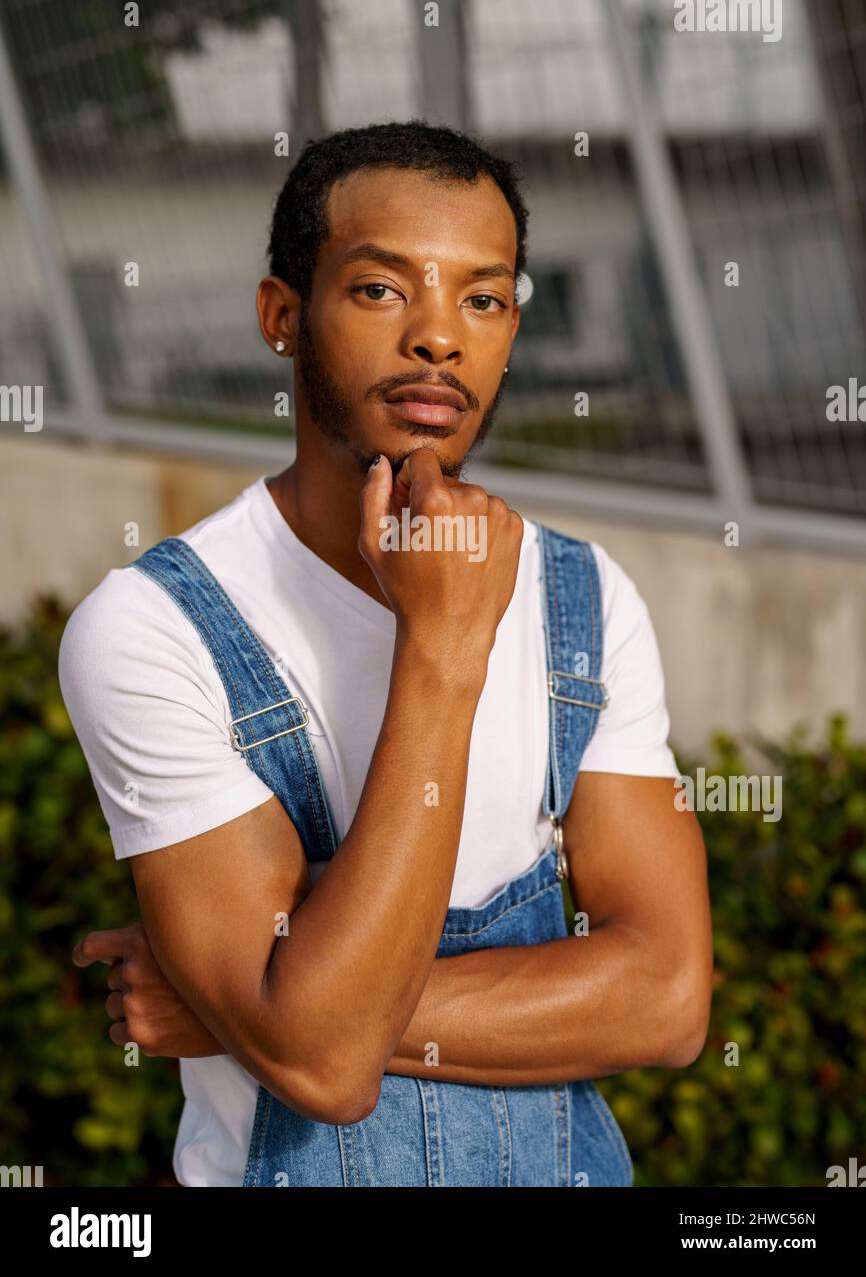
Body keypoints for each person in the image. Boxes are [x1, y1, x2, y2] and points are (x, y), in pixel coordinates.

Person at [60, 119, 713, 1188]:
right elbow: (321, 1068)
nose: (438, 338)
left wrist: (254, 1010)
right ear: (282, 315)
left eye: (482, 298)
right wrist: (443, 645)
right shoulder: (154, 629)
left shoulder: (582, 600)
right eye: (379, 290)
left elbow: (668, 997)